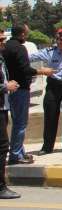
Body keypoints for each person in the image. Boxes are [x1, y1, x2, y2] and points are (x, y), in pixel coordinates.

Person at [2, 24, 52, 164]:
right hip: (20, 89)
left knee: (16, 122)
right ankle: (16, 154)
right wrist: (42, 71)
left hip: (9, 89)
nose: (27, 36)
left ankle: (20, 151)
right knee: (20, 123)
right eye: (26, 33)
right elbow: (25, 69)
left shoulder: (6, 47)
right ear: (22, 34)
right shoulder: (19, 48)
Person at [0, 33, 21, 198]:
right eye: (0, 40)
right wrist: (6, 86)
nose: (3, 43)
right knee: (3, 147)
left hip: (3, 106)